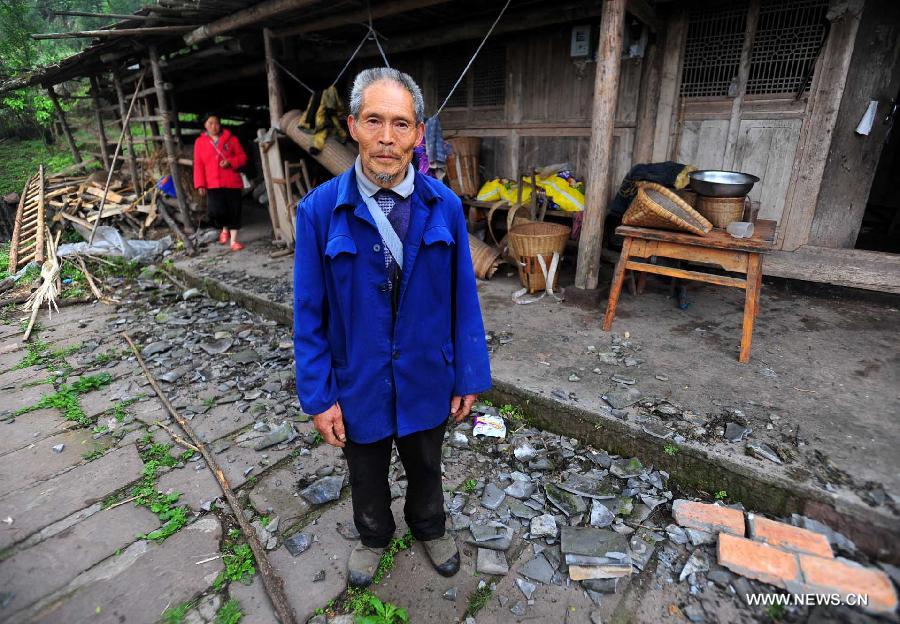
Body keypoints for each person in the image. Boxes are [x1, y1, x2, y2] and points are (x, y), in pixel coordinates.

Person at [293, 68, 491, 588]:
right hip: (356, 376)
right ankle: (374, 535)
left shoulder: (444, 205)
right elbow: (308, 314)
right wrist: (318, 396)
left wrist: (468, 374)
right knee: (366, 468)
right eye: (374, 121)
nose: (387, 138)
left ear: (418, 134)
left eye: (400, 124)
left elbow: (463, 299)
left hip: (429, 371)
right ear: (353, 125)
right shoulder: (318, 211)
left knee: (428, 461)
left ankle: (429, 526)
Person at [193, 113, 248, 251]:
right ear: (205, 124)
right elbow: (198, 164)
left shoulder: (231, 139)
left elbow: (242, 158)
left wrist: (230, 162)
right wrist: (200, 184)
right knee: (216, 211)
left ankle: (234, 241)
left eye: (216, 123)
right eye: (210, 123)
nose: (214, 126)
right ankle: (224, 229)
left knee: (234, 211)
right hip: (212, 183)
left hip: (232, 182)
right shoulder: (200, 142)